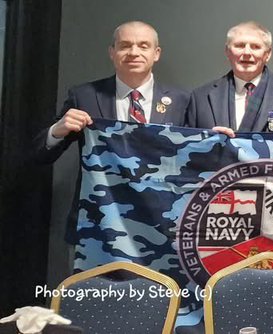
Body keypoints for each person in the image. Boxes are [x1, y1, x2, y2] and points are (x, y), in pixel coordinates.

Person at [32, 21, 192, 241]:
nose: (133, 52)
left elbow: (195, 162)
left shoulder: (182, 101)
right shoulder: (85, 96)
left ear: (156, 53)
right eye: (125, 45)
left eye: (143, 46)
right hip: (96, 225)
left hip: (160, 227)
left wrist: (218, 141)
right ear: (112, 52)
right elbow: (41, 154)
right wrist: (57, 131)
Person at [187, 21, 273, 135]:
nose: (247, 53)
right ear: (227, 51)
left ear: (267, 54)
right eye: (240, 45)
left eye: (255, 47)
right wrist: (209, 144)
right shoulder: (200, 97)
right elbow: (187, 152)